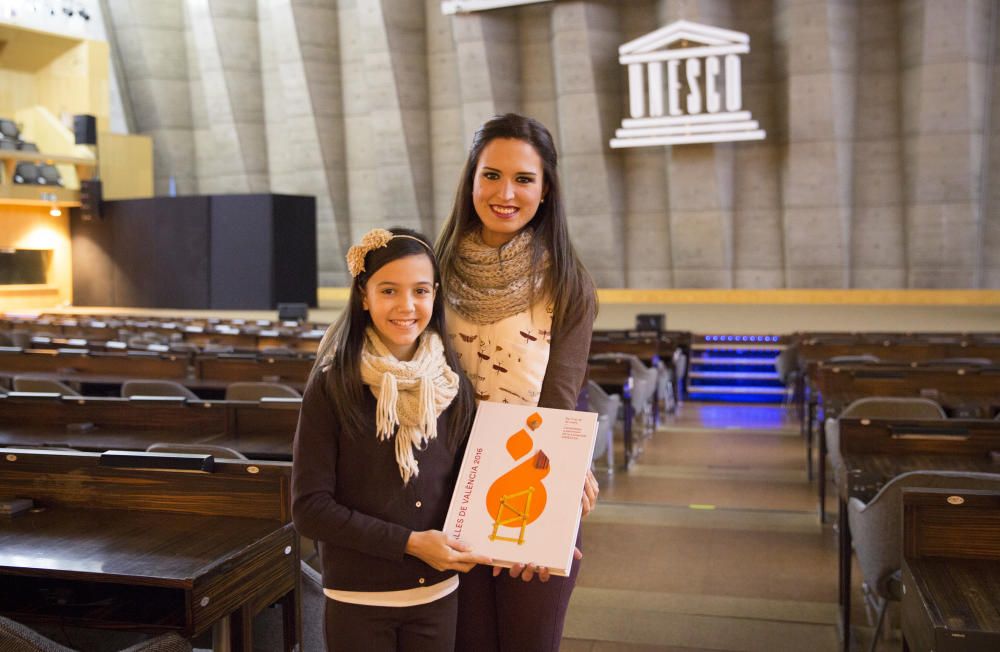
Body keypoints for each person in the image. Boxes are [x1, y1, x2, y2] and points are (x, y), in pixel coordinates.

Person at [435, 113, 600, 652]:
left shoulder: (569, 283)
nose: (506, 193)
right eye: (492, 175)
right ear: (471, 180)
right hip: (440, 489)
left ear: (546, 189)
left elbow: (560, 399)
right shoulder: (431, 273)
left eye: (524, 179)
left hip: (528, 485)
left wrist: (552, 507)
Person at [292, 227, 492, 652]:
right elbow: (310, 510)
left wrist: (536, 534)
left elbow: (475, 484)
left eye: (420, 290)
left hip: (438, 595)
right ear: (364, 295)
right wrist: (409, 544)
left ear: (434, 295)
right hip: (358, 598)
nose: (406, 306)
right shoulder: (332, 386)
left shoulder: (453, 385)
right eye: (389, 290)